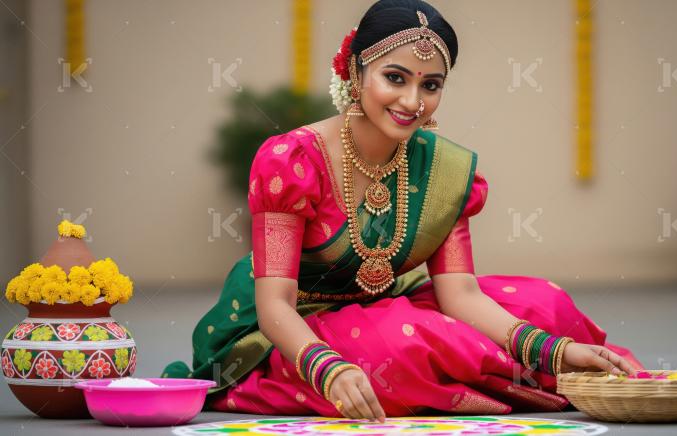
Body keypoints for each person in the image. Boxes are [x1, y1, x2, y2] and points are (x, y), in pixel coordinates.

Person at [163, 0, 644, 422]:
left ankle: (560, 371)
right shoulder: (292, 160)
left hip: (391, 305)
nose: (412, 102)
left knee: (544, 305)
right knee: (404, 347)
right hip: (288, 328)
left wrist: (555, 349)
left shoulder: (444, 169)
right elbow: (274, 308)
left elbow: (461, 297)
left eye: (430, 84)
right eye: (395, 78)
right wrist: (328, 368)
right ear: (355, 71)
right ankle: (531, 382)